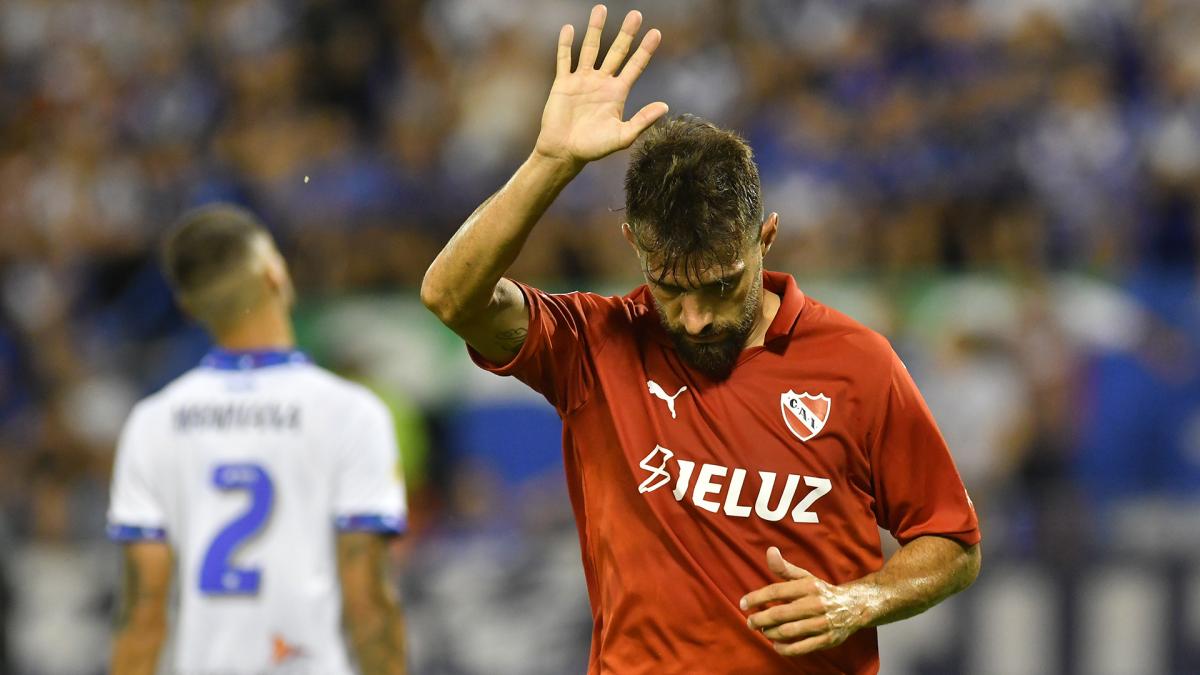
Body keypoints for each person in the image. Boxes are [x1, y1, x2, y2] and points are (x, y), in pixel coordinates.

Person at [421, 5, 981, 674]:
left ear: (765, 237)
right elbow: (450, 295)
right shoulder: (593, 347)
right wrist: (550, 162)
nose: (693, 319)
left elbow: (952, 541)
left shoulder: (857, 363)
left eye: (720, 286)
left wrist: (857, 600)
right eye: (669, 288)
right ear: (633, 245)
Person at [107, 205, 408, 675]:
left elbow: (142, 619)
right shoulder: (351, 414)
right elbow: (368, 602)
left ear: (188, 307)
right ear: (275, 274)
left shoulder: (154, 422)